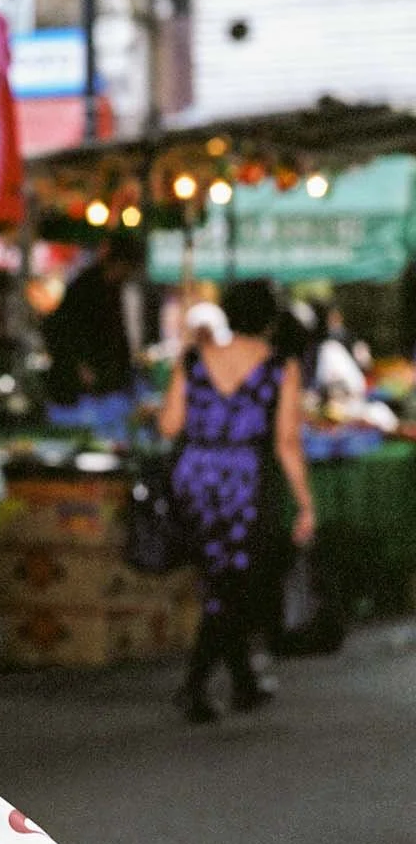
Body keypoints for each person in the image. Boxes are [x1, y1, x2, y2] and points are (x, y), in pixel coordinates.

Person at [160, 279, 316, 723]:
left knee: (221, 581)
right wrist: (305, 503)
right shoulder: (279, 368)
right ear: (269, 320)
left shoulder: (192, 360)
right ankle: (194, 686)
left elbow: (170, 425)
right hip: (243, 481)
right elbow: (287, 442)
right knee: (232, 584)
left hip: (194, 477)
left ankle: (242, 682)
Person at [43, 233, 142, 430]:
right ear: (119, 263)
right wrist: (79, 364)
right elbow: (58, 330)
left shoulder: (113, 289)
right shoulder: (85, 287)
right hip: (79, 391)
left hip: (105, 386)